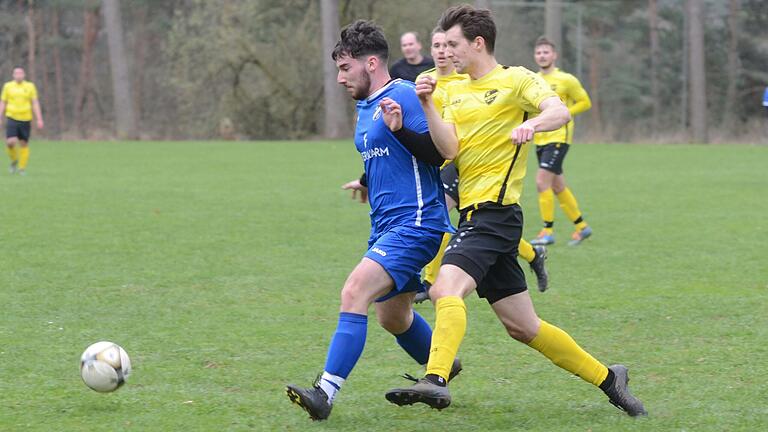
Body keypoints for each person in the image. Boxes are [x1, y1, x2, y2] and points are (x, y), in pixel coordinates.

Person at [385, 5, 647, 417]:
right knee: (524, 327)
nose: (446, 52)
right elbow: (448, 151)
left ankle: (435, 378)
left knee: (443, 288)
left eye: (453, 44)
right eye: (443, 45)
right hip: (473, 215)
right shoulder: (450, 89)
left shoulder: (516, 79)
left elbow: (558, 110)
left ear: (477, 43)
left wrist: (534, 125)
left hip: (497, 214)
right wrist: (427, 105)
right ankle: (610, 379)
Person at [286, 20, 460, 421]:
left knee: (354, 293)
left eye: (345, 68)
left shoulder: (404, 94)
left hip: (417, 222)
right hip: (385, 224)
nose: (339, 77)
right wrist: (366, 180)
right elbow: (386, 152)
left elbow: (437, 154)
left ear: (371, 63)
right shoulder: (365, 106)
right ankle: (443, 363)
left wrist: (400, 132)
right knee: (393, 316)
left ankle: (324, 394)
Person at [529, 37, 593, 246]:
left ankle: (547, 231)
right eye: (539, 52)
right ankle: (581, 227)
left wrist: (565, 112)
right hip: (540, 138)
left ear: (554, 55)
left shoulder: (566, 79)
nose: (542, 56)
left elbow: (585, 102)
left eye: (546, 52)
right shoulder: (532, 79)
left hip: (558, 138)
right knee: (557, 186)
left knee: (541, 182)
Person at [1, 67, 44, 175]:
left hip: (25, 119)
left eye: (20, 73)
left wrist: (39, 118)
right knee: (10, 142)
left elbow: (35, 102)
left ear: (24, 75)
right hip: (12, 117)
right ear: (13, 75)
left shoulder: (30, 86)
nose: (18, 75)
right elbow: (3, 102)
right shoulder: (8, 86)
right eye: (16, 73)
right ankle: (14, 160)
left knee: (23, 143)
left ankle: (21, 168)